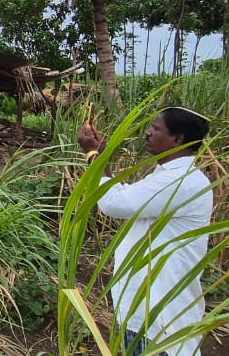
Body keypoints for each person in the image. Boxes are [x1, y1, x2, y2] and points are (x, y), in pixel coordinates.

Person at [78, 107, 213, 356]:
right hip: (149, 309)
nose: (148, 133)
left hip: (156, 318)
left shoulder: (179, 181)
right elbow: (126, 196)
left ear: (178, 139)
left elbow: (113, 204)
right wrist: (102, 157)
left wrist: (93, 155)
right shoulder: (172, 176)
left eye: (156, 128)